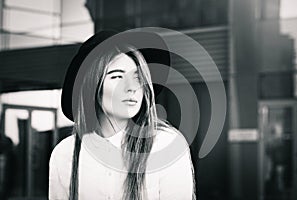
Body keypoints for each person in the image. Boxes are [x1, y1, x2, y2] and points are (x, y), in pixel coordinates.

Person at [49, 30, 195, 200]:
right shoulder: (65, 153)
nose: (131, 87)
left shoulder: (166, 145)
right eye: (117, 76)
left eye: (138, 77)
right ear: (92, 86)